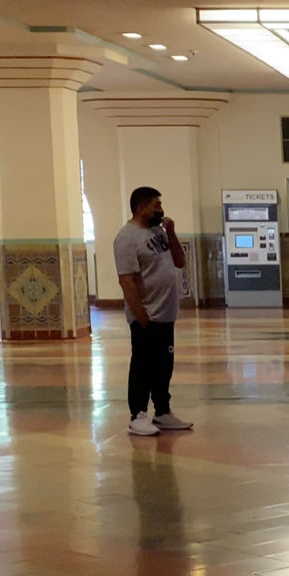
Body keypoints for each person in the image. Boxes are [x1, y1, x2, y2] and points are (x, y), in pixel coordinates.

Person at [115, 185, 190, 437]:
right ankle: (138, 415)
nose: (161, 209)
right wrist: (142, 316)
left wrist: (172, 233)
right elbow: (126, 281)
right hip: (147, 315)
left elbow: (179, 261)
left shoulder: (159, 232)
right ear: (141, 207)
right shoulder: (127, 238)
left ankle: (163, 411)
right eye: (156, 205)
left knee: (163, 365)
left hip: (166, 313)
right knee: (143, 365)